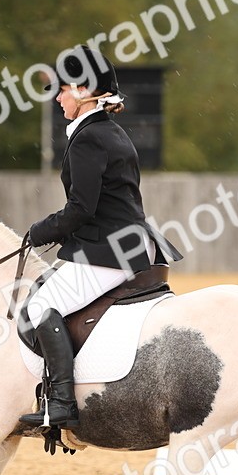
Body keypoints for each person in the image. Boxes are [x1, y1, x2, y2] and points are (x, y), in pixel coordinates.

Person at [19, 45, 180, 429]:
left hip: (109, 251)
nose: (57, 98)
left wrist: (37, 231)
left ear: (82, 90)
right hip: (123, 243)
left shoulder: (90, 138)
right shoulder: (110, 131)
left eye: (62, 90)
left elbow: (81, 208)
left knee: (41, 308)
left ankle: (61, 403)